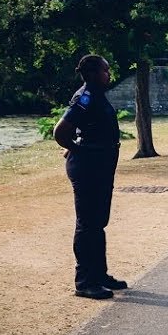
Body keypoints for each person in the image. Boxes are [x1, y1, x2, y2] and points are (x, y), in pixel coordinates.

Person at [53, 54, 126, 300]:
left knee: (98, 223)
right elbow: (60, 131)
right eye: (106, 70)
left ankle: (99, 275)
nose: (109, 74)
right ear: (93, 74)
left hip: (100, 166)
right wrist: (77, 148)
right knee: (87, 225)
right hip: (87, 168)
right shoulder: (84, 97)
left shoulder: (96, 95)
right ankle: (85, 282)